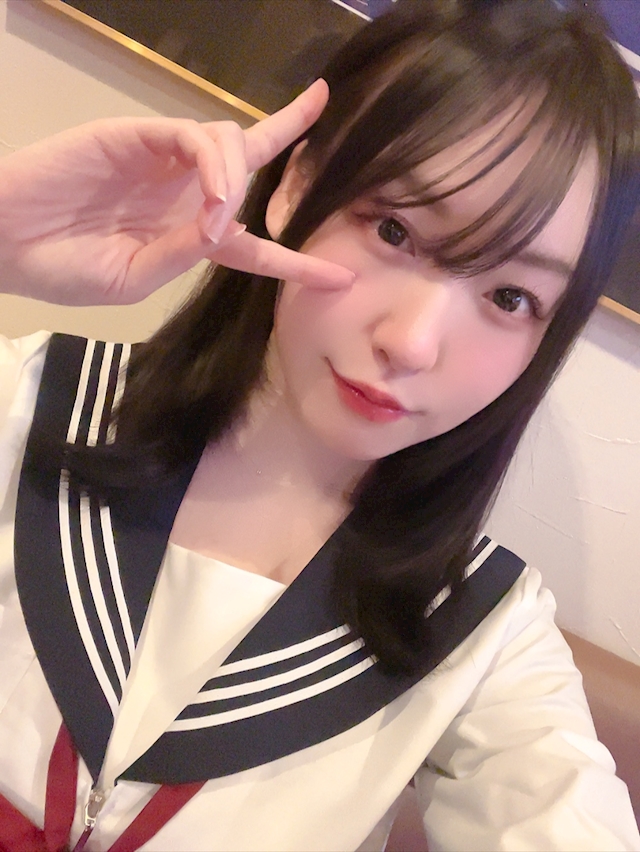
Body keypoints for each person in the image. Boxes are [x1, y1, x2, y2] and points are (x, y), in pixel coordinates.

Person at [0, 0, 639, 849]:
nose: (412, 342)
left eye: (511, 296)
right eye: (395, 230)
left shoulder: (480, 632)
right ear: (299, 184)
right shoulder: (28, 403)